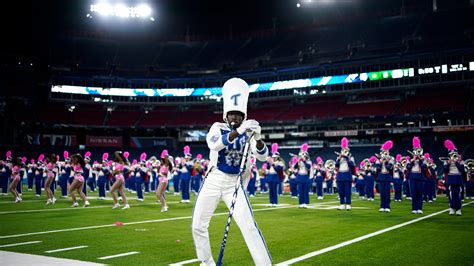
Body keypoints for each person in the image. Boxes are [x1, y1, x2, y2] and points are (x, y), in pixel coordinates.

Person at [192, 78, 271, 266]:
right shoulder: (217, 127)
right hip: (213, 179)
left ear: (243, 116)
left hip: (234, 183)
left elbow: (262, 157)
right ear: (225, 116)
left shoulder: (249, 132)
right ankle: (206, 262)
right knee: (198, 225)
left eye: (238, 115)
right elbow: (214, 144)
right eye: (231, 115)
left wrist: (258, 139)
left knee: (248, 226)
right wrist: (239, 131)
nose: (235, 118)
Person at [443, 140, 465, 216]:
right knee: (451, 194)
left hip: (458, 179)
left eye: (454, 154)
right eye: (451, 154)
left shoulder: (460, 162)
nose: (453, 156)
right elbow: (445, 171)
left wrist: (456, 162)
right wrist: (449, 164)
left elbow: (462, 170)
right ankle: (452, 208)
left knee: (458, 194)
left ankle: (458, 209)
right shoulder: (447, 162)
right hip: (451, 179)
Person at [407, 136, 426, 214]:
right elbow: (408, 168)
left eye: (419, 151)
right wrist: (413, 160)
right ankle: (414, 208)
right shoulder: (410, 159)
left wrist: (420, 160)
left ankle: (419, 208)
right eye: (416, 151)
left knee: (420, 193)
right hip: (412, 178)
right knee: (413, 193)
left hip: (420, 178)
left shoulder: (423, 159)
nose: (417, 153)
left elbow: (424, 168)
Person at [336, 137, 356, 210]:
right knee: (341, 192)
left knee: (348, 191)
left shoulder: (351, 158)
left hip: (347, 177)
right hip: (340, 177)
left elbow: (352, 165)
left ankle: (348, 204)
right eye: (343, 150)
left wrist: (346, 158)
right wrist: (338, 159)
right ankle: (341, 204)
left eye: (345, 151)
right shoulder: (339, 158)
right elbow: (336, 165)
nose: (344, 152)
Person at [375, 141, 394, 213]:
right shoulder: (378, 160)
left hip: (387, 177)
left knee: (387, 193)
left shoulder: (391, 159)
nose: (385, 154)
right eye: (384, 152)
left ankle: (387, 206)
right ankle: (382, 206)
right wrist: (380, 162)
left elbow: (390, 168)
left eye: (386, 152)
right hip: (381, 177)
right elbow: (378, 168)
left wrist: (385, 162)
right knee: (382, 193)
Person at [296, 143, 311, 208]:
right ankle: (301, 203)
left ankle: (305, 203)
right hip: (300, 176)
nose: (302, 156)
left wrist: (304, 161)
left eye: (304, 155)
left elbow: (308, 167)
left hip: (305, 176)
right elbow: (295, 167)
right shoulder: (299, 161)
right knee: (300, 191)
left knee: (305, 191)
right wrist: (298, 161)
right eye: (302, 155)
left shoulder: (308, 161)